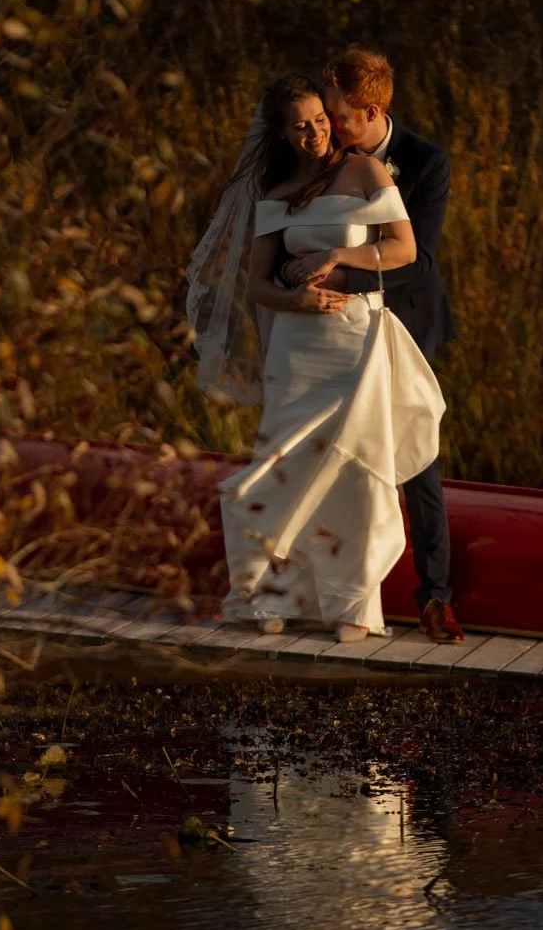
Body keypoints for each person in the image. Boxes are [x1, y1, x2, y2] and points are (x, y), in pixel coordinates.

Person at [185, 73, 445, 642]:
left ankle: (351, 604)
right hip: (297, 348)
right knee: (279, 468)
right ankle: (264, 594)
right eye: (301, 127)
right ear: (281, 133)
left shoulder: (367, 172)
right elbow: (257, 286)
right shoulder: (275, 196)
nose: (315, 134)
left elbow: (403, 248)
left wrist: (338, 251)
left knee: (355, 469)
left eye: (321, 122)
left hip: (356, 338)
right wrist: (294, 298)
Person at [273, 47, 464, 643]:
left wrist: (339, 275)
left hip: (403, 321)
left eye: (337, 115)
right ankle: (329, 591)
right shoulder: (320, 160)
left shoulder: (424, 163)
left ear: (371, 110)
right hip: (330, 332)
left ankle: (435, 597)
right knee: (326, 454)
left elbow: (419, 259)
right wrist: (295, 280)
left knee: (415, 458)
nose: (327, 127)